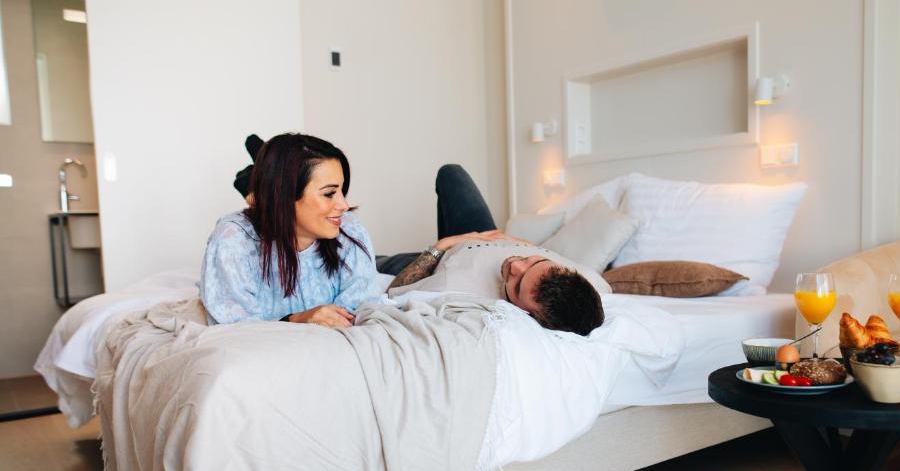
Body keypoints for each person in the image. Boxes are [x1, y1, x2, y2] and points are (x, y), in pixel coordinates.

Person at [382, 165, 606, 336]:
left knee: (372, 261)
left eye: (517, 285)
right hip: (485, 234)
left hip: (441, 258)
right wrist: (509, 239)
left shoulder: (452, 289)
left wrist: (442, 246)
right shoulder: (592, 281)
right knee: (451, 173)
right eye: (534, 262)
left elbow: (394, 293)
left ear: (525, 314)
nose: (515, 264)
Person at [200, 133, 380, 328]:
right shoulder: (232, 240)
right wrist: (295, 319)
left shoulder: (349, 228)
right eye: (329, 193)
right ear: (284, 196)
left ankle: (257, 177)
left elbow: (360, 308)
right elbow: (234, 328)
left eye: (342, 191)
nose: (344, 205)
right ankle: (256, 180)